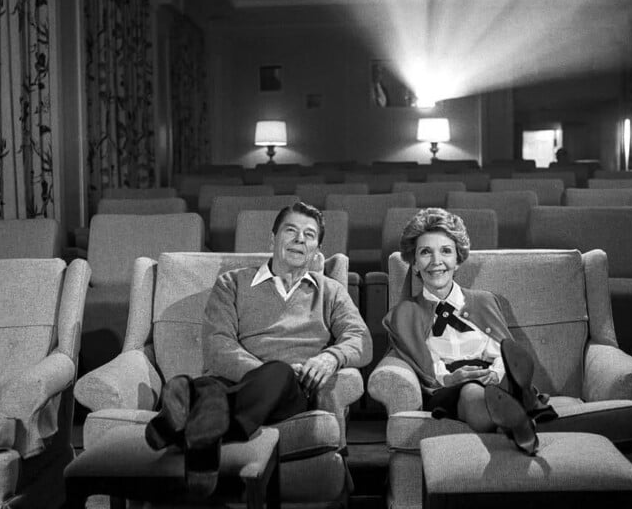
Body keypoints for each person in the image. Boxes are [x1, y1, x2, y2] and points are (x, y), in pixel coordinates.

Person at [145, 202, 372, 496]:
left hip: (292, 388)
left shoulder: (330, 290)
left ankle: (175, 426)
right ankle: (202, 432)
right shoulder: (232, 283)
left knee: (275, 375)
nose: (299, 239)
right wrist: (260, 372)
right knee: (207, 389)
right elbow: (218, 344)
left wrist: (331, 357)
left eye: (309, 235)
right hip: (229, 380)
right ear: (272, 239)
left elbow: (361, 339)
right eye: (290, 231)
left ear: (317, 250)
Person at [381, 208, 555, 455]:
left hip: (494, 379)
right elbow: (421, 364)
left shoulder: (485, 301)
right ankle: (521, 414)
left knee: (500, 380)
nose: (436, 261)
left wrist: (495, 373)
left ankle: (515, 410)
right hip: (447, 389)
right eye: (425, 252)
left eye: (446, 251)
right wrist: (450, 379)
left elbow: (504, 351)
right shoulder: (403, 314)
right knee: (471, 390)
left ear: (458, 259)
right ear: (415, 263)